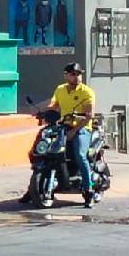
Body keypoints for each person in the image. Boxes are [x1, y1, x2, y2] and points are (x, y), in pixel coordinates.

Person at [48, 61, 99, 205]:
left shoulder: (87, 92)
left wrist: (75, 130)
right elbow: (54, 105)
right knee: (45, 151)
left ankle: (88, 191)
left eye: (78, 74)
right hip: (64, 127)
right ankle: (34, 187)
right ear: (66, 76)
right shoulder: (60, 90)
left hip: (82, 128)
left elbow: (89, 115)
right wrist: (45, 112)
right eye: (73, 74)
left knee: (80, 155)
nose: (76, 77)